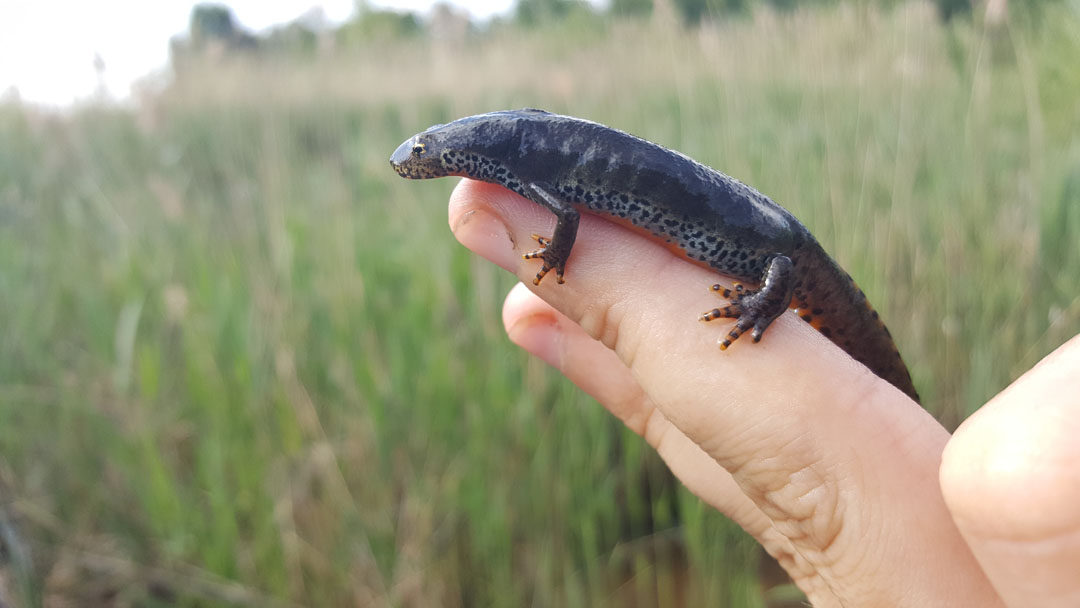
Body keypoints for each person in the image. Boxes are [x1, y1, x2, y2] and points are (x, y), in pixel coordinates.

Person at [448, 178, 1080, 607]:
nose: (411, 165)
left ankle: (761, 309)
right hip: (768, 248)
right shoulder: (515, 164)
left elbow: (779, 265)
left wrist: (760, 307)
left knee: (780, 284)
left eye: (423, 154)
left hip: (777, 255)